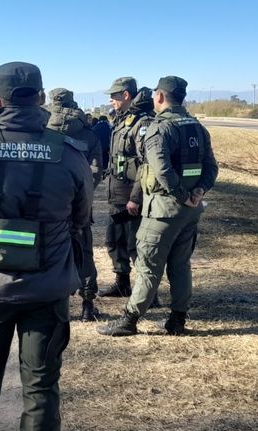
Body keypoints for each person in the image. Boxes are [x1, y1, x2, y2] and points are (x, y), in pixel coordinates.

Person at [0, 62, 93, 431]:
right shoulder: (70, 153)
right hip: (47, 291)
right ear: (41, 97)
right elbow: (82, 216)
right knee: (41, 390)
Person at [97, 76, 219, 337]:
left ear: (161, 97)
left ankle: (129, 320)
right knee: (181, 264)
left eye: (155, 94)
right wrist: (198, 192)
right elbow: (211, 167)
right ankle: (177, 320)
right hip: (190, 211)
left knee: (147, 266)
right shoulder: (197, 127)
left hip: (164, 209)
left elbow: (159, 167)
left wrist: (181, 193)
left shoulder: (159, 127)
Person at [46, 87, 103, 321]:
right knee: (84, 253)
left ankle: (54, 302)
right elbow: (97, 169)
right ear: (73, 102)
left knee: (49, 252)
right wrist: (84, 193)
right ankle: (88, 305)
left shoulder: (43, 129)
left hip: (49, 206)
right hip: (80, 206)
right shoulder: (88, 134)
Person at [96, 78, 155, 301]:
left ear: (126, 95)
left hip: (132, 198)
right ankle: (122, 284)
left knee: (137, 247)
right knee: (115, 240)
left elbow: (146, 165)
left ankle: (148, 294)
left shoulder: (142, 123)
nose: (111, 99)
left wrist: (136, 198)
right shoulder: (122, 120)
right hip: (118, 196)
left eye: (115, 95)